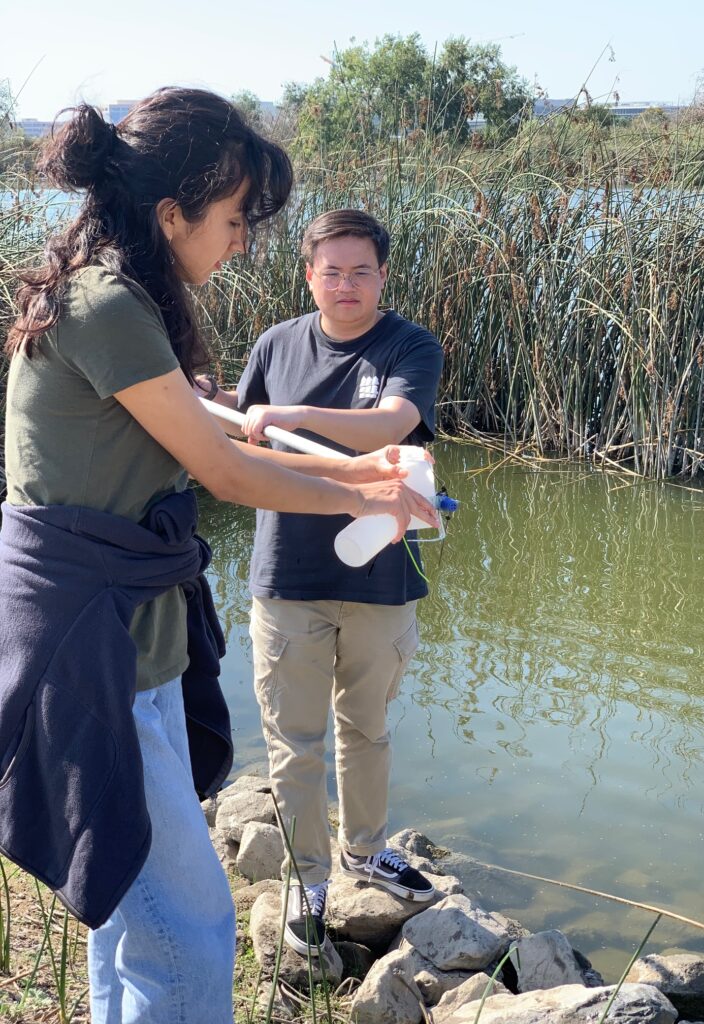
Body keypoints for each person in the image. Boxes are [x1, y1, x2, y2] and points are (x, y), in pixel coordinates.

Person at [0, 93, 437, 1024]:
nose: (241, 242)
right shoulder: (107, 303)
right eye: (235, 218)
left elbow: (192, 433)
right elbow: (228, 469)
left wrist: (358, 465)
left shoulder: (117, 296)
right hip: (94, 654)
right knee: (191, 927)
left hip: (128, 643)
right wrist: (370, 490)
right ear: (173, 213)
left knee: (128, 904)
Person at [203, 208, 444, 957]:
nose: (345, 284)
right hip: (287, 575)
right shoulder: (275, 343)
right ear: (309, 275)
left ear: (382, 276)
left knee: (365, 727)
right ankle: (309, 880)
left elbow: (391, 425)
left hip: (380, 574)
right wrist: (204, 396)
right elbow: (239, 439)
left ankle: (364, 852)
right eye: (330, 271)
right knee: (294, 742)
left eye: (360, 271)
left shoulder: (410, 345)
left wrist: (291, 413)